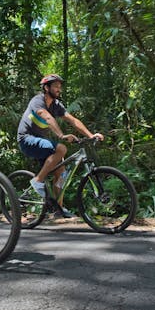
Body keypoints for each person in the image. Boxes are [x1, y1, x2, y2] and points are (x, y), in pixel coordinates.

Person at [17, 74, 104, 218]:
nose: (59, 89)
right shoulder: (37, 101)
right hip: (26, 140)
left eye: (60, 86)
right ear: (46, 88)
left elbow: (72, 120)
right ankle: (37, 180)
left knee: (61, 171)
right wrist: (62, 136)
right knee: (61, 148)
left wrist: (90, 135)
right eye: (56, 86)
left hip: (40, 142)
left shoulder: (56, 105)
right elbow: (47, 117)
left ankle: (58, 209)